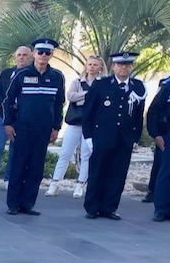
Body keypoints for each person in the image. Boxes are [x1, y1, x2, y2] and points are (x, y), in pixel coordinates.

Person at [2, 38, 66, 216]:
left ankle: (28, 204)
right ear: (34, 54)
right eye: (40, 52)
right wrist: (8, 123)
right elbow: (7, 101)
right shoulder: (21, 75)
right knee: (18, 165)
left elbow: (59, 104)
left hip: (43, 129)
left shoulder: (57, 77)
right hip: (22, 127)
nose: (43, 56)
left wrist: (56, 127)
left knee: (36, 167)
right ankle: (13, 204)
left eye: (47, 53)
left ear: (51, 55)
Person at [82, 51, 146, 220]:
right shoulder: (101, 85)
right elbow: (88, 111)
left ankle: (109, 207)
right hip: (102, 136)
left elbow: (138, 115)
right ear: (113, 66)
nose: (123, 67)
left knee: (118, 174)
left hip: (124, 139)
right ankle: (92, 207)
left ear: (131, 67)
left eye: (127, 65)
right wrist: (88, 136)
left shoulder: (138, 87)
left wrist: (135, 137)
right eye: (120, 64)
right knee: (98, 172)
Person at [47, 54, 101, 199]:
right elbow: (71, 96)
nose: (92, 67)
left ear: (100, 67)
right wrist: (89, 95)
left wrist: (82, 97)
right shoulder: (77, 82)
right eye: (90, 64)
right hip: (75, 122)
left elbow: (99, 101)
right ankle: (54, 183)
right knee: (65, 153)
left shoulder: (102, 83)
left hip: (92, 124)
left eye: (95, 65)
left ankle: (80, 185)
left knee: (86, 155)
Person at [0, 46, 31, 189]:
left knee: (15, 150)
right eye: (19, 55)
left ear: (30, 57)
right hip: (4, 116)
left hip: (20, 118)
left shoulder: (32, 75)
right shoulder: (6, 73)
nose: (21, 57)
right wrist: (8, 107)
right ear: (15, 57)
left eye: (25, 55)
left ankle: (8, 180)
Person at [147, 79, 170, 221]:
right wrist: (155, 134)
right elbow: (153, 111)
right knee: (166, 172)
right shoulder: (167, 88)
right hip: (168, 134)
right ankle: (161, 209)